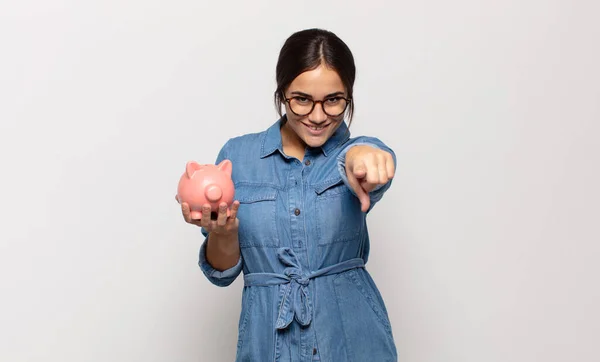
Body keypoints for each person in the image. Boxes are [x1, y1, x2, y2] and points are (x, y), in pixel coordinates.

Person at [180, 28, 398, 362]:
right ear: (282, 94)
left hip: (352, 338)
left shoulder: (355, 153)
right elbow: (221, 273)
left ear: (348, 96)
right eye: (302, 99)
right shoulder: (238, 156)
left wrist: (365, 158)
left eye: (334, 100)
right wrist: (224, 233)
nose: (317, 115)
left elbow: (370, 158)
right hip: (268, 339)